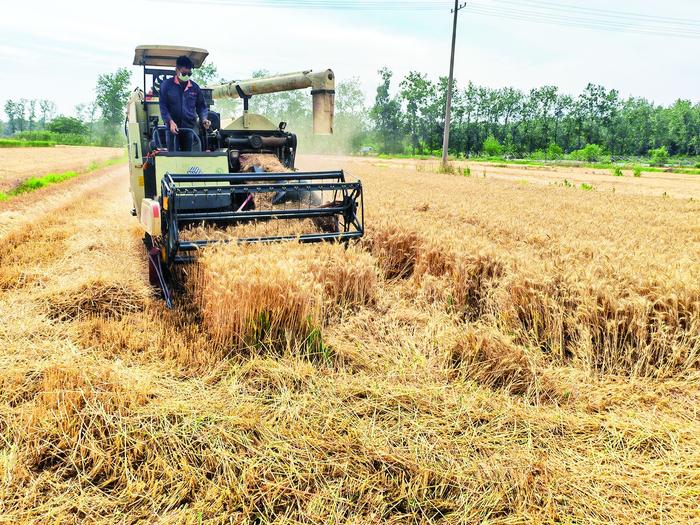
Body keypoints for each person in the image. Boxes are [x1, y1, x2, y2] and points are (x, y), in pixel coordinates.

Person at [159, 55, 211, 152]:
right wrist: (170, 122)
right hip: (172, 128)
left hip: (188, 129)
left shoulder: (194, 87)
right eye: (184, 73)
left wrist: (204, 118)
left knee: (188, 157)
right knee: (172, 158)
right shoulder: (166, 86)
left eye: (189, 74)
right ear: (177, 70)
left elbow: (201, 106)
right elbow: (163, 107)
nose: (186, 76)